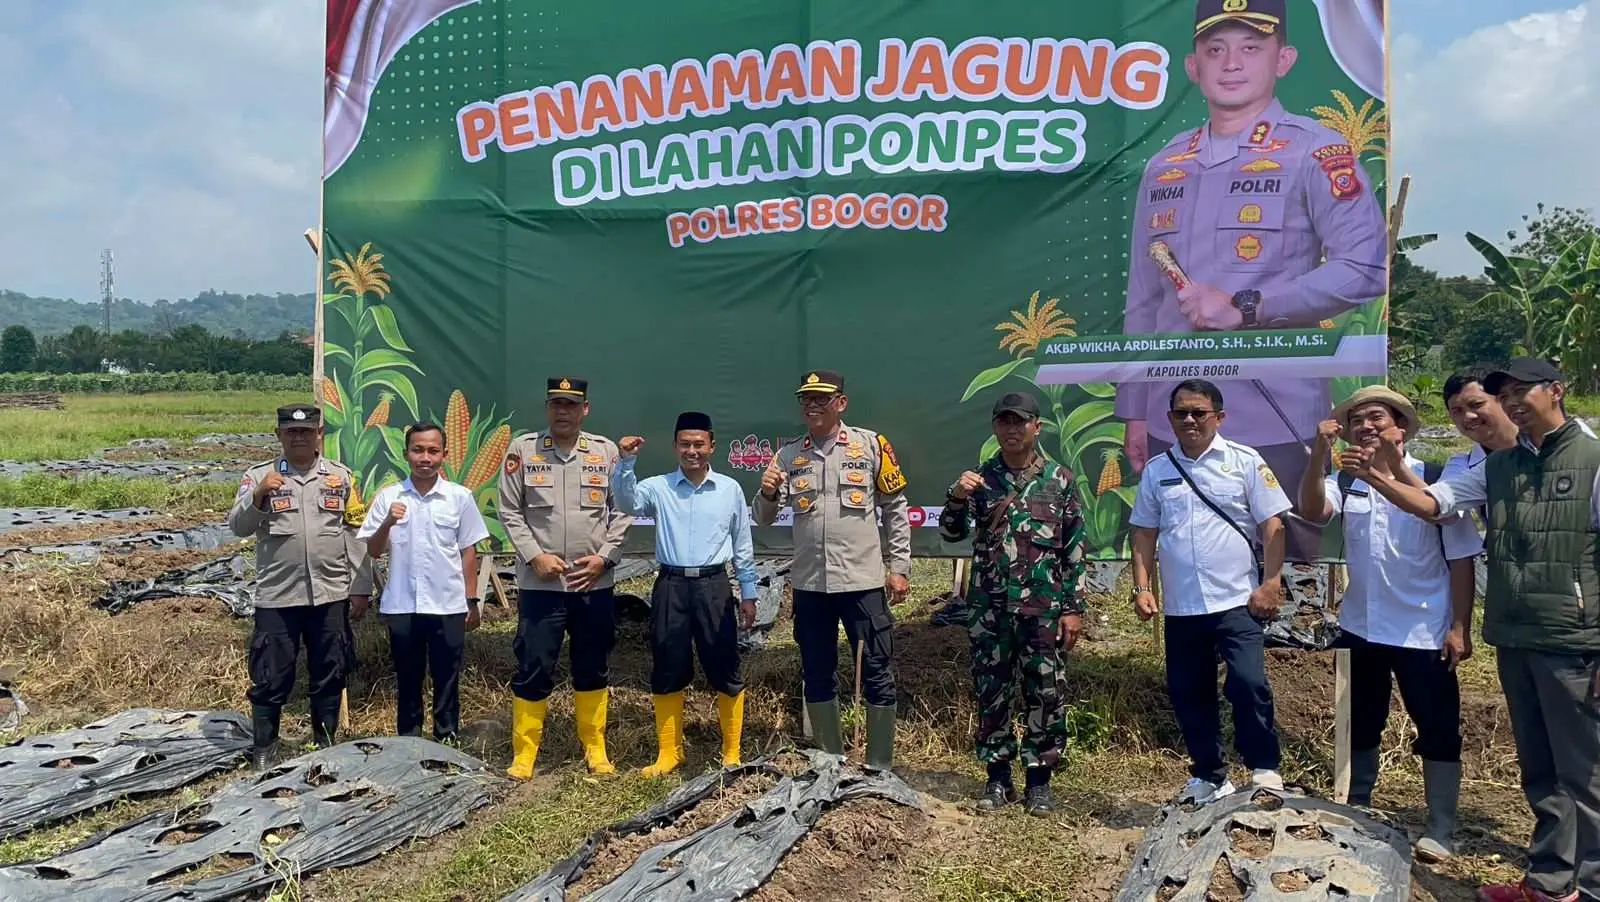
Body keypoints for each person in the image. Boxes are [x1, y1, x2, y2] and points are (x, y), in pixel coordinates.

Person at [1116, 0, 1387, 563]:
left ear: (1283, 58)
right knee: (1191, 568)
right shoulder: (1164, 164)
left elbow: (1366, 267)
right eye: (1216, 49)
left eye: (1251, 48)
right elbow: (1143, 298)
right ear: (1194, 66)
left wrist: (1250, 305)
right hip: (1178, 414)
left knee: (1280, 580)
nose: (1231, 63)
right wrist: (1136, 413)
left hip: (1277, 414)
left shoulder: (1316, 150)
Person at [1347, 358, 1600, 902]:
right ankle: (1552, 886)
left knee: (1587, 774)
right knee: (1542, 771)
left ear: (1556, 390)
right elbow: (1436, 504)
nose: (1508, 403)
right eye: (1500, 394)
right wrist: (1374, 474)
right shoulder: (1500, 466)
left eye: (1516, 393)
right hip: (1515, 635)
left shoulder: (1594, 458)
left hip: (1577, 640)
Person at [1293, 386, 1481, 861]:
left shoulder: (1438, 479)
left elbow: (1461, 559)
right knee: (1361, 721)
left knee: (1437, 726)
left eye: (1375, 417)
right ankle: (1358, 805)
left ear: (1400, 425)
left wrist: (1460, 625)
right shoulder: (1348, 479)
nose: (1365, 426)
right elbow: (1313, 512)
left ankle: (1440, 826)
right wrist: (1319, 454)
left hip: (1423, 629)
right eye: (1356, 420)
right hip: (1362, 624)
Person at [1129, 379, 1291, 805]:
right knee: (1188, 691)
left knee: (1248, 683)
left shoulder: (1244, 462)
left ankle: (1264, 768)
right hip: (1182, 607)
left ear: (1219, 417)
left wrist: (1271, 583)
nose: (1189, 420)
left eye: (1198, 412)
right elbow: (1144, 532)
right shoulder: (1158, 470)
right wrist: (1142, 587)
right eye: (1180, 413)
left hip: (1237, 600)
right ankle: (1209, 775)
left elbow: (1273, 525)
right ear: (1169, 420)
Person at [752, 370, 911, 771]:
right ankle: (829, 764)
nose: (812, 405)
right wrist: (768, 490)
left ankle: (879, 766)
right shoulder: (789, 455)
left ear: (841, 403)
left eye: (821, 398)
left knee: (876, 668)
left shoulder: (871, 445)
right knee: (816, 670)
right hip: (811, 585)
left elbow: (895, 509)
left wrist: (900, 567)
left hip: (862, 582)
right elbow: (764, 517)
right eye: (806, 398)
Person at [938, 392, 1087, 816]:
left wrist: (1073, 608)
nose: (1011, 429)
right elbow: (951, 533)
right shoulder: (981, 481)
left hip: (1043, 607)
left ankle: (1039, 781)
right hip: (990, 609)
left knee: (1044, 692)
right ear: (994, 427)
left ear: (1036, 427)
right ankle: (997, 779)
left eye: (1020, 422)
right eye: (1003, 422)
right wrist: (956, 496)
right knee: (993, 692)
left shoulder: (1060, 480)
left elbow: (1074, 549)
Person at [497, 377, 631, 778]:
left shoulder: (605, 453)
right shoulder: (523, 450)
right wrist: (534, 556)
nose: (563, 412)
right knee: (535, 664)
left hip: (593, 583)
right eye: (556, 404)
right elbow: (510, 511)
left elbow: (624, 508)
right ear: (547, 407)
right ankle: (525, 754)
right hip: (542, 585)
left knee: (592, 665)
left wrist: (605, 558)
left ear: (584, 409)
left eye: (571, 405)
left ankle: (595, 747)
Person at [614, 412, 760, 776]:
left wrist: (748, 591)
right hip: (671, 586)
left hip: (714, 586)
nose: (692, 451)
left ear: (711, 445)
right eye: (685, 444)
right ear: (675, 446)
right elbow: (627, 503)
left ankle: (731, 752)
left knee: (724, 664)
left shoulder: (729, 489)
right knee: (667, 664)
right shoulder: (658, 487)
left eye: (699, 444)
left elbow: (742, 545)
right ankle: (669, 753)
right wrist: (626, 462)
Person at [227, 403, 372, 769]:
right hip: (279, 594)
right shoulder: (260, 476)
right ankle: (264, 749)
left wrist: (361, 585)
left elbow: (356, 531)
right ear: (279, 436)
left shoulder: (340, 478)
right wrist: (258, 496)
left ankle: (322, 743)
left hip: (330, 592)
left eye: (306, 431)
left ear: (318, 434)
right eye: (291, 432)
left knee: (330, 669)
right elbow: (238, 526)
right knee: (270, 674)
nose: (299, 437)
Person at [358, 421, 490, 744]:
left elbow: (468, 551)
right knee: (408, 678)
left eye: (433, 450)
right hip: (403, 604)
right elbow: (373, 550)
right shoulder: (389, 497)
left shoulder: (459, 498)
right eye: (418, 450)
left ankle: (447, 740)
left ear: (444, 454)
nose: (425, 457)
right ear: (406, 454)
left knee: (447, 677)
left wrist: (471, 599)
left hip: (447, 604)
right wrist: (389, 521)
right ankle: (409, 743)